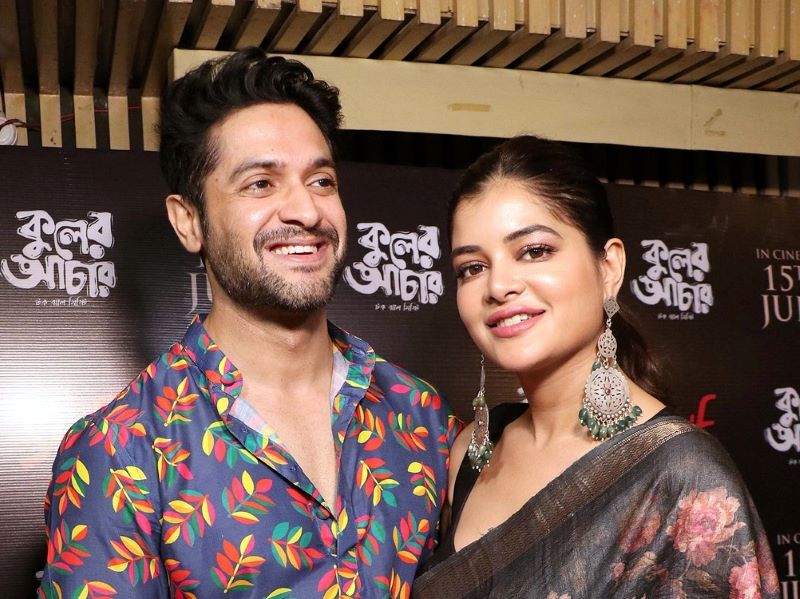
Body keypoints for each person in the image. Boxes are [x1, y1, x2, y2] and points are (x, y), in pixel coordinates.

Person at [38, 47, 459, 598]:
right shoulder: (120, 451)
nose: (306, 211)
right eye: (261, 183)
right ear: (189, 221)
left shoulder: (420, 413)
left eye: (321, 181)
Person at [413, 135, 779, 598]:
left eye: (534, 251)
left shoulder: (684, 475)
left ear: (608, 267)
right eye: (472, 267)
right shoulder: (469, 452)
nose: (498, 285)